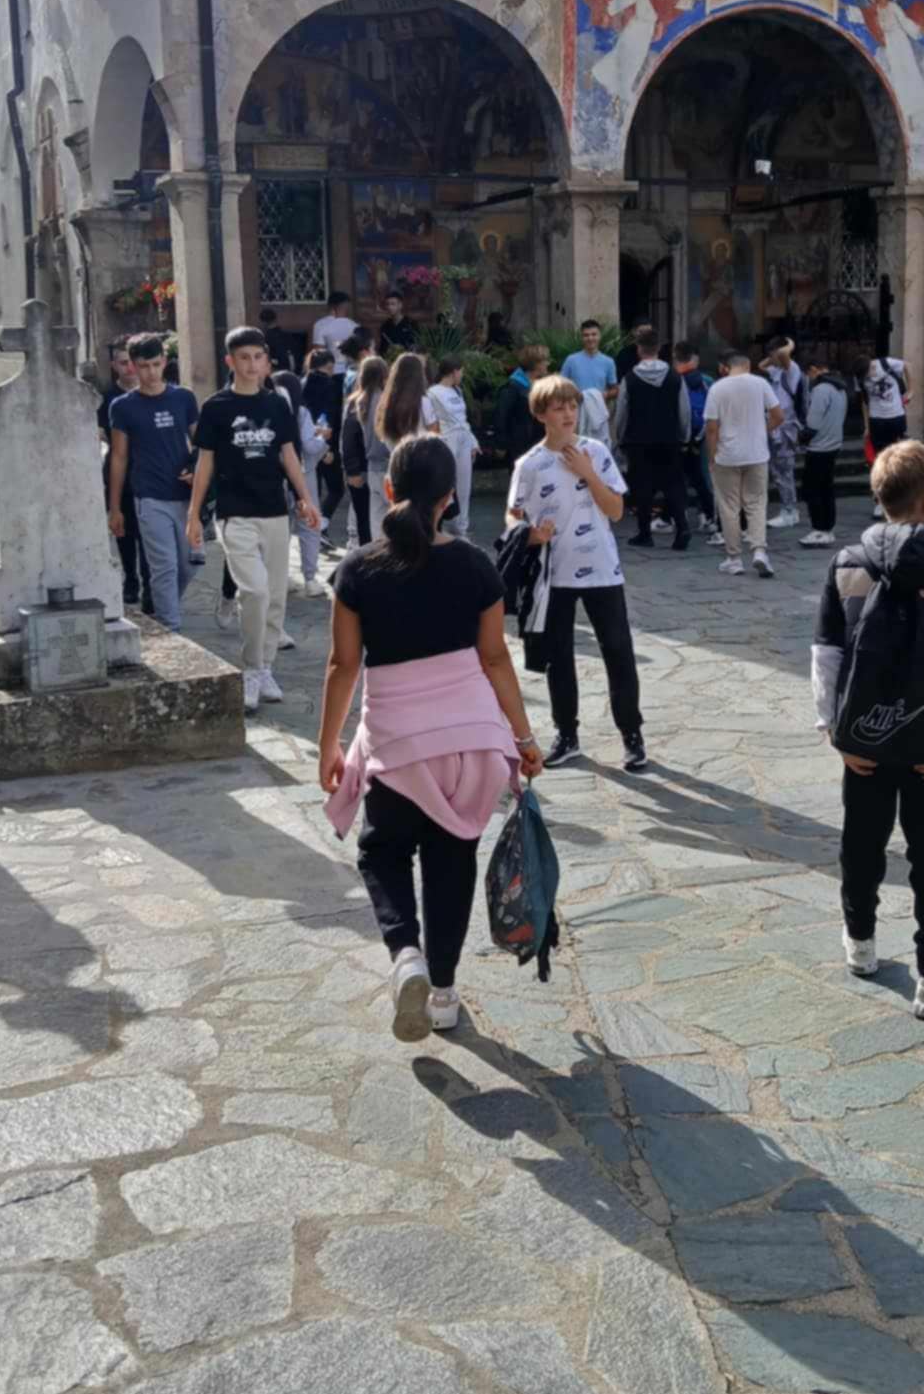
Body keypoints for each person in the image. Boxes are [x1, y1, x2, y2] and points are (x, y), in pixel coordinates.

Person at [320, 435, 543, 1040]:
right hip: (471, 745)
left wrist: (329, 747)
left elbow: (344, 666)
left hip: (398, 748)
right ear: (450, 498)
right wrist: (524, 739)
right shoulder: (475, 565)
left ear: (388, 488)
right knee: (453, 859)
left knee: (382, 852)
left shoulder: (357, 569)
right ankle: (442, 993)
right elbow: (495, 659)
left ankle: (406, 956)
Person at [812, 440, 924, 1022]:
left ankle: (860, 945)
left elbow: (826, 653)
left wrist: (834, 728)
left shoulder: (847, 562)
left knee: (861, 843)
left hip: (864, 736)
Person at [508, 374, 647, 774]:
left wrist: (587, 472)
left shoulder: (596, 451)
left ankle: (632, 735)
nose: (568, 414)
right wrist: (529, 534)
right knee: (559, 657)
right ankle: (566, 734)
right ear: (541, 415)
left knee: (618, 651)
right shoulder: (529, 464)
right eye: (559, 408)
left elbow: (616, 511)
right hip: (554, 574)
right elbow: (512, 515)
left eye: (572, 406)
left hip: (603, 569)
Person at [187, 326, 321, 713]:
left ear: (266, 362)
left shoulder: (277, 405)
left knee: (275, 597)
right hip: (234, 512)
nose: (251, 365)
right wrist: (194, 514)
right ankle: (250, 668)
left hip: (275, 510)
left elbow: (288, 454)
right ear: (230, 361)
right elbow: (205, 461)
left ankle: (265, 668)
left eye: (257, 357)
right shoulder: (215, 407)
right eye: (243, 358)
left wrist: (306, 499)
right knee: (255, 591)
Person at [106, 332, 199, 629]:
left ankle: (164, 610)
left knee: (189, 565)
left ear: (165, 362)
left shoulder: (184, 398)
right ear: (133, 365)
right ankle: (171, 626)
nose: (151, 372)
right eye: (144, 366)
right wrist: (115, 507)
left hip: (186, 495)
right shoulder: (122, 406)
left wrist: (197, 470)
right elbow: (119, 457)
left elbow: (201, 445)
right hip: (148, 496)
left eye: (156, 364)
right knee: (164, 567)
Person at [704, 351, 783, 580]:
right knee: (756, 503)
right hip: (757, 454)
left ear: (726, 367)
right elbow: (779, 416)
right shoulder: (761, 384)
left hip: (727, 455)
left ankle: (734, 558)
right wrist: (762, 431)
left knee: (729, 506)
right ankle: (759, 551)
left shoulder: (717, 388)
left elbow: (711, 427)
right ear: (748, 365)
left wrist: (712, 455)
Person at [614, 330, 692, 552]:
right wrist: (684, 436)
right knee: (673, 484)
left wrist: (620, 436)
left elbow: (622, 412)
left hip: (638, 440)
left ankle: (644, 533)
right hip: (669, 439)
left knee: (642, 486)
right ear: (658, 349)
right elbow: (684, 410)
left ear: (639, 350)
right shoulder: (675, 377)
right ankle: (682, 527)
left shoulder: (630, 378)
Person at [98, 340, 150, 615]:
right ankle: (130, 577)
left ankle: (150, 583)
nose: (129, 368)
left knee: (149, 532)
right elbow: (100, 434)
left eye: (132, 362)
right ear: (114, 366)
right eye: (123, 363)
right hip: (119, 470)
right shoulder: (106, 399)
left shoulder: (151, 394)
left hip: (149, 469)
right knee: (124, 529)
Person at [272, 361, 331, 600]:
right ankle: (310, 579)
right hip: (303, 475)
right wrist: (323, 439)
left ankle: (282, 577)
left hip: (275, 476)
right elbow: (309, 446)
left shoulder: (269, 409)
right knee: (309, 525)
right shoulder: (301, 412)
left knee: (280, 529)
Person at [426, 355, 480, 533]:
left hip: (463, 439)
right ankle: (442, 524)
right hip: (447, 439)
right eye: (461, 371)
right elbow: (431, 419)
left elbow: (463, 419)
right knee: (446, 483)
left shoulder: (458, 391)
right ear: (453, 372)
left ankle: (461, 528)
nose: (462, 375)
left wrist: (473, 441)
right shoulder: (433, 392)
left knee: (464, 485)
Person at [799, 357, 849, 549]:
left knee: (812, 489)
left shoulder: (821, 390)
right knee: (826, 488)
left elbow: (813, 423)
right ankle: (827, 528)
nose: (808, 378)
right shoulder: (840, 388)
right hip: (834, 443)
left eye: (808, 374)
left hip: (819, 446)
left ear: (814, 369)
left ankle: (819, 528)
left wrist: (800, 437)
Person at [342, 354, 388, 549]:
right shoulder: (383, 400)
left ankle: (366, 555)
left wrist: (350, 469)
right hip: (374, 465)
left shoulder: (355, 401)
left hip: (360, 467)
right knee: (378, 517)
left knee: (364, 518)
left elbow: (347, 439)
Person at [301, 346, 347, 531]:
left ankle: (313, 527)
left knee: (313, 490)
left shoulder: (301, 383)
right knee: (336, 489)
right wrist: (328, 447)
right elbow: (330, 417)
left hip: (305, 443)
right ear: (329, 366)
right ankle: (322, 524)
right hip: (325, 444)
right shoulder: (330, 386)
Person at [672, 341, 716, 536]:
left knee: (677, 477)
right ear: (694, 359)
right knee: (703, 477)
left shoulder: (672, 379)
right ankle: (707, 515)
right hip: (702, 436)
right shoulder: (707, 381)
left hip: (678, 437)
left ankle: (678, 517)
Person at [762, 338, 805, 531]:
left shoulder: (792, 370)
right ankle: (788, 509)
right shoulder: (777, 370)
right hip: (775, 427)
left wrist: (789, 345)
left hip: (786, 429)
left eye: (773, 353)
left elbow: (782, 355)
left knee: (784, 471)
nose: (771, 357)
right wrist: (773, 357)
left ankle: (790, 511)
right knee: (778, 471)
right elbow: (761, 365)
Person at [493, 343, 546, 464]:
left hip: (539, 443)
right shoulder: (512, 387)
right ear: (535, 364)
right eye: (545, 361)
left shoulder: (542, 384)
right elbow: (501, 415)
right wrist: (500, 444)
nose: (547, 364)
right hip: (519, 446)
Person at [561, 321, 618, 409]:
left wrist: (605, 395)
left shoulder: (608, 362)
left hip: (598, 411)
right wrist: (574, 395)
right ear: (581, 337)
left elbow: (615, 390)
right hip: (575, 410)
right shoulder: (571, 360)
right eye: (586, 335)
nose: (590, 338)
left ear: (599, 336)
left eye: (594, 334)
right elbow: (561, 386)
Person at [314, 290, 360, 362]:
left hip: (330, 366)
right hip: (351, 366)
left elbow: (319, 352)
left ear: (329, 306)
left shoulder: (320, 325)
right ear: (347, 306)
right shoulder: (355, 326)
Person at [258, 307, 300, 375]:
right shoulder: (288, 336)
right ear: (275, 319)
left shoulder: (265, 338)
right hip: (291, 371)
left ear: (263, 322)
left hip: (276, 371)